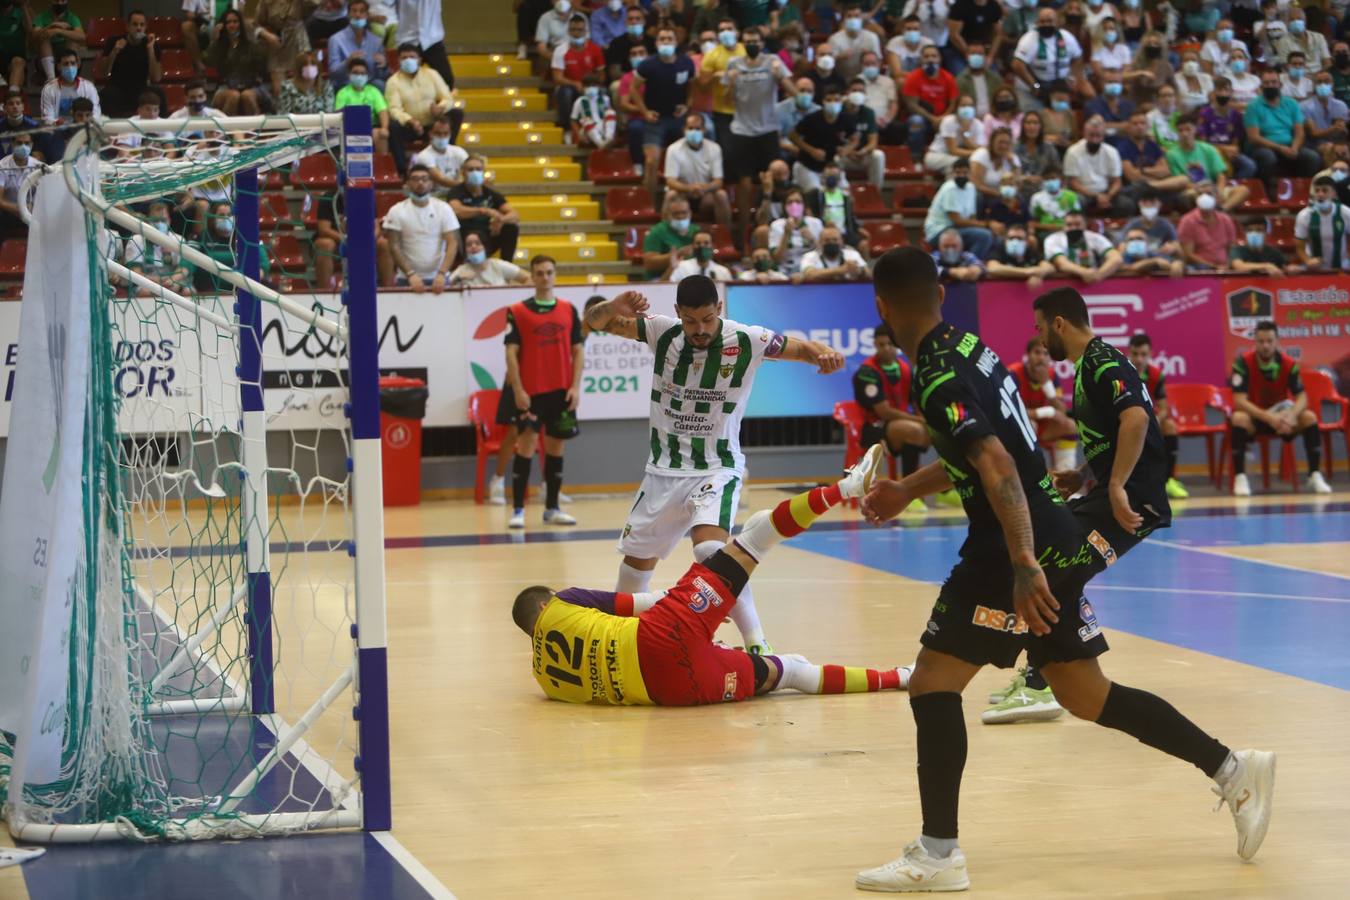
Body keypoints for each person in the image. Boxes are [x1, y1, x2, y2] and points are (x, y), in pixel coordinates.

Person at [859, 255, 1274, 890]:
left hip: (1010, 547)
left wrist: (1024, 563)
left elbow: (997, 463)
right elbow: (986, 453)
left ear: (881, 307)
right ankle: (1232, 769)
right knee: (1085, 694)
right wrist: (910, 488)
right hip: (1049, 531)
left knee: (932, 683)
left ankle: (938, 856)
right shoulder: (973, 349)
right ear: (941, 294)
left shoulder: (937, 373)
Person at [511, 448, 911, 707]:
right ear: (545, 604)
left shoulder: (545, 681)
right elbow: (639, 605)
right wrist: (693, 600)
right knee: (752, 539)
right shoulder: (564, 602)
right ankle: (847, 486)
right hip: (661, 635)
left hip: (672, 690)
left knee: (788, 672)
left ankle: (900, 676)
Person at [583, 281, 844, 655]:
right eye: (691, 321)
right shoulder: (660, 330)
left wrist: (825, 354)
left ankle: (757, 643)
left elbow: (802, 348)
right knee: (634, 566)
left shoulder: (749, 339)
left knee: (709, 551)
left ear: (719, 308)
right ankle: (625, 642)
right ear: (677, 313)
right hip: (663, 470)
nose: (700, 329)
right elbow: (595, 322)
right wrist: (614, 305)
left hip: (716, 467)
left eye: (707, 319)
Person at [498, 255, 584, 529]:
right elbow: (511, 354)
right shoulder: (517, 310)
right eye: (539, 273)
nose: (544, 277)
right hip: (531, 393)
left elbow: (578, 350)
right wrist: (518, 390)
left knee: (556, 448)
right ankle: (519, 510)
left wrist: (575, 387)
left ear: (555, 275)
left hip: (561, 392)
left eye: (549, 272)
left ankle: (552, 508)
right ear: (532, 277)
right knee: (525, 447)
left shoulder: (569, 309)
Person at [1229, 320, 1332, 496]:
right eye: (1261, 341)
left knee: (1309, 417)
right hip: (1257, 418)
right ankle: (1240, 477)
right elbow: (1239, 401)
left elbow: (1302, 397)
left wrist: (1291, 415)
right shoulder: (1242, 363)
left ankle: (1314, 474)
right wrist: (1269, 417)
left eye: (1269, 341)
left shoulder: (1289, 364)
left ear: (1277, 341)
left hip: (1282, 420)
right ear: (1255, 342)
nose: (1265, 346)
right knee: (1238, 418)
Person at [725, 27, 794, 247]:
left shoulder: (773, 60)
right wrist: (733, 83)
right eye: (748, 41)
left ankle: (777, 230)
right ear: (742, 42)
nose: (752, 44)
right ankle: (743, 233)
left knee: (774, 176)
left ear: (762, 43)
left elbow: (793, 91)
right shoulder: (733, 64)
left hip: (767, 130)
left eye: (755, 41)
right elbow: (726, 100)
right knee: (744, 184)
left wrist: (780, 76)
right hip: (742, 130)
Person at [631, 27, 696, 199]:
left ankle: (683, 200)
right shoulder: (648, 64)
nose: (666, 42)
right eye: (662, 39)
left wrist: (687, 106)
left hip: (677, 118)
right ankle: (648, 203)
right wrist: (644, 112)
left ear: (676, 42)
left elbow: (692, 87)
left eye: (669, 38)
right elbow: (633, 89)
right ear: (656, 43)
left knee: (686, 159)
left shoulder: (686, 63)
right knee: (652, 161)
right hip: (656, 119)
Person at [1127, 332, 1188, 499]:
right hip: (1124, 423)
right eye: (1135, 354)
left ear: (1150, 355)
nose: (1139, 359)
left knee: (1169, 426)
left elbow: (1163, 408)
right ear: (1128, 353)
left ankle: (1168, 480)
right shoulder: (1120, 373)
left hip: (1149, 422)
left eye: (1143, 355)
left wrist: (1151, 424)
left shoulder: (1156, 375)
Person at [379, 165, 460, 290]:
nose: (420, 182)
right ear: (407, 183)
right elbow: (394, 246)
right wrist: (410, 275)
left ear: (431, 183)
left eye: (424, 179)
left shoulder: (444, 208)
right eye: (415, 179)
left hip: (439, 278)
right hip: (406, 279)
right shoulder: (396, 210)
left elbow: (452, 243)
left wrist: (442, 273)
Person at [385, 43, 456, 175]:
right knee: (393, 126)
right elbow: (394, 109)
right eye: (404, 57)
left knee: (455, 113)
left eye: (412, 57)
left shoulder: (432, 74)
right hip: (410, 127)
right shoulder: (393, 81)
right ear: (399, 61)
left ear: (419, 59)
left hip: (433, 124)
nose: (408, 60)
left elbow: (448, 98)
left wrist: (440, 108)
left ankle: (448, 152)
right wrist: (410, 120)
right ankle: (402, 170)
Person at [1245, 69, 1323, 186]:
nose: (1270, 85)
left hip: (1290, 146)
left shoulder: (1291, 103)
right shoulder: (1253, 106)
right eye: (1266, 83)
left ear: (1280, 85)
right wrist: (1280, 148)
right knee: (1268, 157)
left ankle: (1303, 190)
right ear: (1261, 86)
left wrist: (1295, 148)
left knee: (1312, 157)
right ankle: (1269, 193)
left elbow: (1299, 132)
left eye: (1273, 82)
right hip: (1263, 147)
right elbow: (1254, 138)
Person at [1166, 113, 1249, 211]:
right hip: (1191, 189)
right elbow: (1180, 182)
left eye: (1188, 129)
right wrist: (1201, 190)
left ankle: (1222, 210)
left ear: (1195, 130)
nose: (1184, 133)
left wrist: (1219, 192)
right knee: (1190, 195)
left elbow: (1220, 176)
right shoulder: (1171, 154)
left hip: (1212, 187)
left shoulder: (1208, 149)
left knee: (1243, 190)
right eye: (1180, 130)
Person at [446, 155, 521, 265]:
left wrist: (501, 220)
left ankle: (507, 265)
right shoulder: (456, 192)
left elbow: (515, 214)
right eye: (470, 169)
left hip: (487, 235)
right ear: (463, 172)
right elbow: (456, 210)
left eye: (478, 169)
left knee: (511, 227)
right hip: (464, 236)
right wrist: (483, 211)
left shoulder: (490, 193)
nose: (474, 172)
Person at [1012, 6, 1088, 111]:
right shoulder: (1029, 39)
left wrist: (1071, 78)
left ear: (1057, 22)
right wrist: (1035, 85)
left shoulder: (1066, 37)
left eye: (1050, 21)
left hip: (1061, 83)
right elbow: (1017, 64)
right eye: (1042, 21)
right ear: (1037, 23)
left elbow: (1078, 57)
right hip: (1039, 83)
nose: (1046, 24)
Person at [664, 113, 731, 227]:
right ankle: (666, 237)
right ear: (684, 129)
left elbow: (718, 181)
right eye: (690, 128)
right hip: (683, 194)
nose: (694, 131)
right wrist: (689, 188)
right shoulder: (673, 149)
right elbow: (670, 181)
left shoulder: (714, 148)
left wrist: (703, 189)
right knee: (670, 195)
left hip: (706, 196)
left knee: (721, 195)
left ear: (704, 130)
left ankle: (724, 237)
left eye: (697, 128)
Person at [790, 86, 859, 191]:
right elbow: (793, 136)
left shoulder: (846, 119)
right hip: (809, 166)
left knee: (845, 193)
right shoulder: (812, 119)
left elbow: (855, 139)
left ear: (841, 101)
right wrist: (811, 150)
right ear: (823, 101)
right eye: (829, 100)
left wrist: (846, 150)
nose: (833, 103)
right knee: (816, 193)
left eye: (836, 100)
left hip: (832, 168)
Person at [94, 10, 162, 118]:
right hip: (117, 89)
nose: (139, 28)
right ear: (128, 26)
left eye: (142, 25)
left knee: (158, 93)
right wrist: (114, 52)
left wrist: (150, 50)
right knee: (106, 94)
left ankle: (161, 131)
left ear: (146, 27)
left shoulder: (151, 44)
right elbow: (102, 73)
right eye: (135, 24)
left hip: (140, 91)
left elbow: (157, 77)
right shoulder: (113, 42)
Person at [923, 157, 993, 260]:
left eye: (965, 173)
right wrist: (987, 225)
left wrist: (982, 226)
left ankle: (970, 264)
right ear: (952, 173)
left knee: (989, 235)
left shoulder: (971, 187)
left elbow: (971, 217)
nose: (961, 176)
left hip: (957, 229)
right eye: (957, 172)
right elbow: (956, 220)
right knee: (984, 236)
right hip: (939, 232)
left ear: (970, 173)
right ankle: (969, 266)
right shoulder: (949, 188)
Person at [1063, 115, 1134, 216]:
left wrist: (1108, 196)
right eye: (1091, 135)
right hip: (1083, 192)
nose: (1094, 139)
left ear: (1103, 136)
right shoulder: (1073, 152)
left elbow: (1117, 181)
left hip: (1106, 192)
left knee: (1126, 204)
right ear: (1084, 134)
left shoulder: (1112, 152)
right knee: (1076, 202)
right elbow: (1073, 183)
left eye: (1098, 135)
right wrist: (1096, 196)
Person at [205, 9, 268, 115]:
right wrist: (214, 41)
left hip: (251, 84)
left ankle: (255, 130)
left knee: (247, 95)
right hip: (226, 85)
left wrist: (254, 42)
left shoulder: (250, 45)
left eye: (235, 22)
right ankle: (227, 131)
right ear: (223, 25)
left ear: (240, 24)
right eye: (228, 22)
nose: (232, 25)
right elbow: (208, 62)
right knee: (233, 96)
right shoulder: (219, 46)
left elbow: (261, 66)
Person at [900, 44, 957, 160]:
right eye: (926, 56)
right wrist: (933, 119)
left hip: (943, 117)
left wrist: (942, 118)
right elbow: (912, 105)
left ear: (939, 59)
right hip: (923, 117)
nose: (930, 59)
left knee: (951, 122)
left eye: (934, 56)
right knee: (916, 121)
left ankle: (950, 156)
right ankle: (915, 158)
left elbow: (953, 104)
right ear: (921, 59)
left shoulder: (948, 77)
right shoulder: (913, 77)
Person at [551, 14, 605, 131]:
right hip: (570, 86)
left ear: (586, 31)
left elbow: (601, 75)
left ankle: (602, 128)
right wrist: (575, 83)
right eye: (573, 30)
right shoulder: (560, 50)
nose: (576, 33)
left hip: (590, 85)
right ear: (568, 31)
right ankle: (567, 129)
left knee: (603, 92)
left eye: (580, 30)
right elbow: (557, 77)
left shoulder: (595, 49)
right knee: (565, 93)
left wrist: (590, 85)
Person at [1199, 78, 1258, 181]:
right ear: (1213, 93)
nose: (1223, 93)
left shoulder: (1236, 115)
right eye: (1219, 90)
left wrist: (1233, 150)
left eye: (1226, 90)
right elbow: (1203, 143)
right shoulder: (1204, 114)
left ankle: (1233, 185)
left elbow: (1235, 141)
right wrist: (1223, 149)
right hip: (1210, 152)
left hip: (1229, 151)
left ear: (1231, 93)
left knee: (1249, 165)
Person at [1046, 211, 1123, 283]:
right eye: (1069, 225)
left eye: (1077, 224)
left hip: (1093, 283)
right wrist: (1084, 272)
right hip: (1062, 282)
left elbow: (1116, 258)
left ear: (1085, 225)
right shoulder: (1053, 239)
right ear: (1063, 225)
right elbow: (1062, 264)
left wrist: (1099, 275)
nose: (1073, 228)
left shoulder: (1095, 237)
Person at [334, 58, 391, 154]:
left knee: (380, 134)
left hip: (371, 127)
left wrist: (385, 128)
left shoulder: (373, 91)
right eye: (355, 73)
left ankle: (381, 166)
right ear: (349, 75)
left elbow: (383, 111)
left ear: (367, 76)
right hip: (350, 128)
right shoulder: (342, 93)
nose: (359, 76)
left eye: (362, 73)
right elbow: (339, 114)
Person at [1294, 174, 1350, 272]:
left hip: (1342, 267)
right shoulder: (1304, 215)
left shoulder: (1345, 213)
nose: (1320, 194)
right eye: (1317, 190)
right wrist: (1307, 261)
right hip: (1315, 269)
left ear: (1333, 193)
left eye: (1324, 190)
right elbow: (1299, 246)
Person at [327, 0, 389, 88]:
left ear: (367, 15)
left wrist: (384, 66)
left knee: (381, 84)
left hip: (368, 84)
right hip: (346, 84)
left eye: (362, 11)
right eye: (354, 11)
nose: (358, 15)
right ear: (348, 14)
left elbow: (382, 75)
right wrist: (347, 62)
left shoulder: (376, 41)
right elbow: (332, 74)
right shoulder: (335, 40)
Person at [1177, 182, 1239, 270]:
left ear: (1217, 198)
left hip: (1224, 267)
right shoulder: (1187, 221)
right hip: (1199, 269)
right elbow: (1188, 254)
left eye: (1209, 194)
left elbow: (1231, 247)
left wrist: (1227, 266)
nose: (1204, 197)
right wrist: (1213, 267)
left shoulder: (1226, 220)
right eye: (1200, 194)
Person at [254, 0, 311, 96]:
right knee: (279, 91)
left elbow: (316, 4)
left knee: (301, 90)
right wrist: (266, 34)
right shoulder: (266, 2)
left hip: (298, 44)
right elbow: (256, 25)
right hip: (277, 46)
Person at [840, 77, 885, 189]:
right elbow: (831, 139)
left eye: (861, 91)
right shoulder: (839, 111)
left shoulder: (868, 113)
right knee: (834, 158)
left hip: (862, 155)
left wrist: (863, 151)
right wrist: (848, 152)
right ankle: (841, 190)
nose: (857, 94)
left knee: (878, 155)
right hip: (844, 155)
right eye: (854, 90)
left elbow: (873, 141)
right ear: (847, 93)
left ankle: (875, 191)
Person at [923, 93, 984, 174]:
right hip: (937, 155)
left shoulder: (978, 125)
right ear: (957, 108)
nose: (967, 108)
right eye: (963, 105)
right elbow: (953, 150)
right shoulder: (949, 121)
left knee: (970, 164)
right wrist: (977, 153)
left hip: (960, 157)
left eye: (970, 105)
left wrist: (965, 135)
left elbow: (978, 148)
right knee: (960, 164)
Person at [768, 186, 823, 276]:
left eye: (798, 202)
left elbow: (823, 253)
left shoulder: (816, 223)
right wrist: (786, 234)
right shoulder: (777, 225)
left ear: (804, 205)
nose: (794, 205)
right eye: (790, 202)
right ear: (784, 206)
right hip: (785, 270)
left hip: (810, 269)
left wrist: (812, 239)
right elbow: (777, 259)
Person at [39, 48, 99, 123]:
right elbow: (47, 118)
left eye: (73, 63)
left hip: (83, 128)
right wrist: (58, 124)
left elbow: (96, 113)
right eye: (66, 64)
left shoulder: (89, 87)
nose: (70, 67)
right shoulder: (49, 89)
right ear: (58, 66)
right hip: (59, 130)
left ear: (77, 65)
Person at [31, 0, 84, 85]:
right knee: (44, 39)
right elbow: (34, 36)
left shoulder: (72, 17)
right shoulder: (41, 17)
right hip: (45, 62)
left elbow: (82, 36)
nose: (59, 3)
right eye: (56, 0)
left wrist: (58, 31)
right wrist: (51, 26)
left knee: (73, 40)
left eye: (62, 0)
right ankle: (51, 80)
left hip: (66, 61)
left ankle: (70, 76)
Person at [449, 232, 529, 288]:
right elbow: (444, 286)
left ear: (485, 247)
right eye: (469, 245)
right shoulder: (461, 270)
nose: (473, 247)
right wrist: (457, 279)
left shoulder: (498, 265)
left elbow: (528, 277)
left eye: (477, 243)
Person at [985, 222, 1052, 287]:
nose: (1015, 241)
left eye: (1019, 238)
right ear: (1005, 240)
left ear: (1026, 241)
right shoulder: (999, 250)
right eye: (1011, 238)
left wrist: (1038, 275)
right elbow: (992, 268)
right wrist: (1027, 272)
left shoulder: (1030, 252)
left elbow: (1049, 267)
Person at [412, 116, 468, 192]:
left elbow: (469, 169)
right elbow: (441, 180)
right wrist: (467, 185)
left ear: (450, 134)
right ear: (430, 134)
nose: (442, 137)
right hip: (435, 196)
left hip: (456, 194)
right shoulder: (424, 156)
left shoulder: (459, 152)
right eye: (438, 133)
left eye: (445, 133)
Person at [799, 225, 869, 282]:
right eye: (827, 240)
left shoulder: (852, 254)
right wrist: (842, 270)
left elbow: (869, 274)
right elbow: (809, 275)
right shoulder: (810, 256)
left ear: (841, 242)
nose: (831, 243)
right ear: (820, 242)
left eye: (835, 240)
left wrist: (860, 271)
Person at [858, 50, 900, 143]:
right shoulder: (857, 81)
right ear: (861, 65)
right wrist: (872, 120)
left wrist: (887, 120)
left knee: (898, 128)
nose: (870, 66)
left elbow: (893, 104)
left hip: (884, 121)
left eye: (873, 63)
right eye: (866, 64)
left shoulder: (888, 81)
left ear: (879, 64)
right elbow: (856, 105)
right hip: (864, 120)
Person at [1272, 6, 1329, 74]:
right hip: (1298, 77)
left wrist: (1318, 77)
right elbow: (1287, 67)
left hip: (1319, 76)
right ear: (1287, 23)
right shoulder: (1283, 42)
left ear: (1305, 21)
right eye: (1292, 20)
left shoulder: (1319, 37)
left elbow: (1327, 63)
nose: (1296, 21)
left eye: (1299, 19)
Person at [1028, 165, 1080, 236]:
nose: (1050, 181)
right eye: (1047, 179)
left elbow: (1077, 219)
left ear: (1060, 179)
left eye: (1053, 178)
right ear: (1042, 181)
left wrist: (1061, 227)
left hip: (1067, 231)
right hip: (1045, 232)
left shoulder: (1072, 196)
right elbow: (1034, 220)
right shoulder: (1036, 198)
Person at [776, 77, 818, 165]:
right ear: (793, 91)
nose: (805, 94)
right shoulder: (779, 109)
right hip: (785, 150)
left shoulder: (819, 111)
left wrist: (808, 150)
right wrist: (791, 148)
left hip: (810, 150)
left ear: (814, 94)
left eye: (809, 91)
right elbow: (775, 138)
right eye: (802, 90)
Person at [1302, 71, 1350, 148]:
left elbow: (1344, 130)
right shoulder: (1305, 106)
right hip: (1316, 144)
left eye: (1327, 81)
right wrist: (1333, 128)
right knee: (1330, 148)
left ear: (1333, 84)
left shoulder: (1341, 105)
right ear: (1314, 86)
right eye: (1319, 82)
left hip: (1338, 142)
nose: (1323, 85)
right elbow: (1314, 133)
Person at [278, 50, 335, 114]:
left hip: (320, 123)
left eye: (313, 64)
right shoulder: (287, 87)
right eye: (305, 65)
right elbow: (283, 114)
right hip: (296, 123)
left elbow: (329, 113)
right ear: (299, 69)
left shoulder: (326, 86)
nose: (309, 67)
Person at [954, 42, 1000, 118]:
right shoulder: (959, 80)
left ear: (985, 57)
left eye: (979, 53)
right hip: (970, 120)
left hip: (993, 119)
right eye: (973, 53)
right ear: (967, 57)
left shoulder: (995, 78)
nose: (976, 56)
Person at [1118, 224, 1183, 276]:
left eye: (1139, 239)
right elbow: (1128, 268)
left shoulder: (1154, 254)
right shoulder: (1122, 256)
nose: (1136, 242)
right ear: (1126, 244)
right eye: (1131, 240)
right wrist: (1153, 261)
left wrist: (1177, 264)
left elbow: (1172, 262)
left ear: (1147, 243)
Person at [1085, 69, 1135, 135]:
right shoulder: (1092, 104)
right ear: (1102, 83)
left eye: (1116, 82)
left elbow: (1134, 125)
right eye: (1110, 82)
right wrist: (1124, 125)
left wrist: (1110, 125)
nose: (1114, 85)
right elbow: (1098, 125)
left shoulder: (1129, 104)